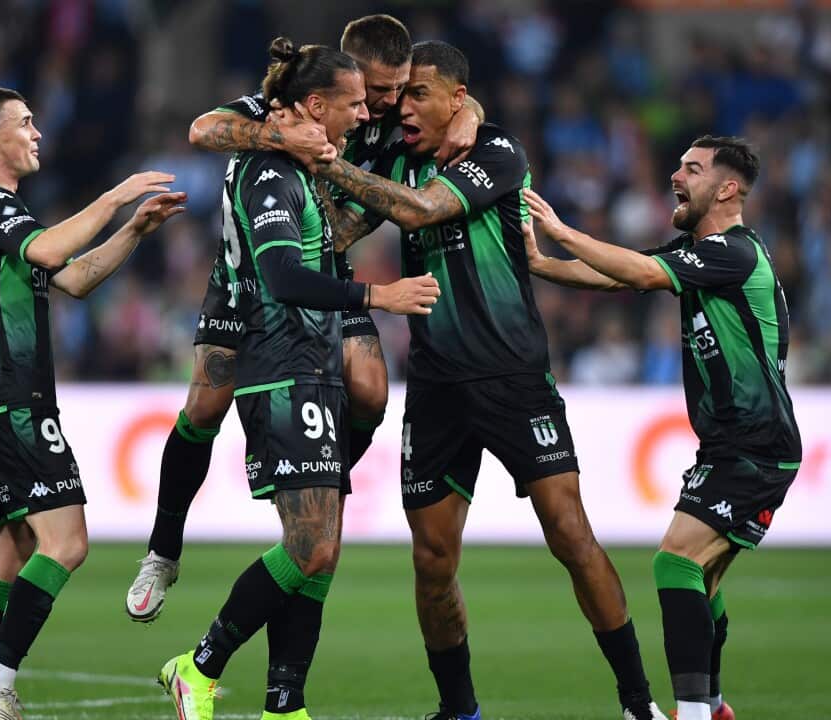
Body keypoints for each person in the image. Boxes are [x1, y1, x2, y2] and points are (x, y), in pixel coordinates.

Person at [311, 42, 666, 720]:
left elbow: (416, 212)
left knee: (569, 533)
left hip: (513, 377)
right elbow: (345, 228)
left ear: (457, 97)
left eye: (421, 94)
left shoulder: (498, 153)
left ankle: (638, 702)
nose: (405, 105)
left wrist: (337, 166)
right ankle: (459, 710)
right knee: (433, 559)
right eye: (402, 94)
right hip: (438, 386)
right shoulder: (399, 152)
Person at [125, 13, 482, 624]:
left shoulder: (386, 115)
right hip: (246, 281)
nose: (389, 103)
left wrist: (470, 112)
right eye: (378, 89)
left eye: (399, 89)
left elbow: (455, 103)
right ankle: (163, 550)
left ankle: (317, 489)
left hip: (327, 272)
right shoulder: (288, 99)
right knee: (205, 407)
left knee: (370, 392)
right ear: (345, 73)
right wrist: (278, 139)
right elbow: (203, 128)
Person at [157, 38, 440, 720]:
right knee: (310, 545)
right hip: (280, 362)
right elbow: (282, 278)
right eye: (360, 99)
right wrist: (381, 297)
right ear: (317, 104)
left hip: (311, 358)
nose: (374, 108)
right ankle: (196, 665)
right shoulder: (270, 170)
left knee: (320, 547)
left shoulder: (330, 151)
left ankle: (285, 705)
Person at [523, 135, 799, 720]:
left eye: (692, 169)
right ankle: (716, 708)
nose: (677, 175)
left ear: (727, 188)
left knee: (675, 562)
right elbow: (621, 276)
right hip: (733, 443)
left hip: (756, 444)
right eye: (677, 165)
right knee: (703, 580)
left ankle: (696, 713)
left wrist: (563, 231)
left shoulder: (735, 252)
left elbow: (641, 274)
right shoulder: (702, 252)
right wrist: (544, 264)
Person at [0, 87, 185, 720]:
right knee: (67, 543)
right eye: (26, 124)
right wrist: (116, 196)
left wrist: (133, 229)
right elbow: (54, 251)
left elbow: (73, 277)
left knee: (7, 554)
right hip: (13, 400)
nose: (37, 133)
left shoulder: (3, 217)